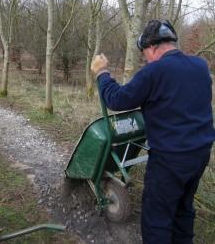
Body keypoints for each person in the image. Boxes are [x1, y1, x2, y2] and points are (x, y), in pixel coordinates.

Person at [90, 19, 215, 244]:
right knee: (183, 209)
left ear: (152, 47)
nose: (146, 58)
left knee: (157, 218)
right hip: (200, 154)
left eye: (145, 53)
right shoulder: (200, 66)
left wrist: (102, 73)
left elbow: (117, 99)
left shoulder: (154, 71)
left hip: (170, 160)